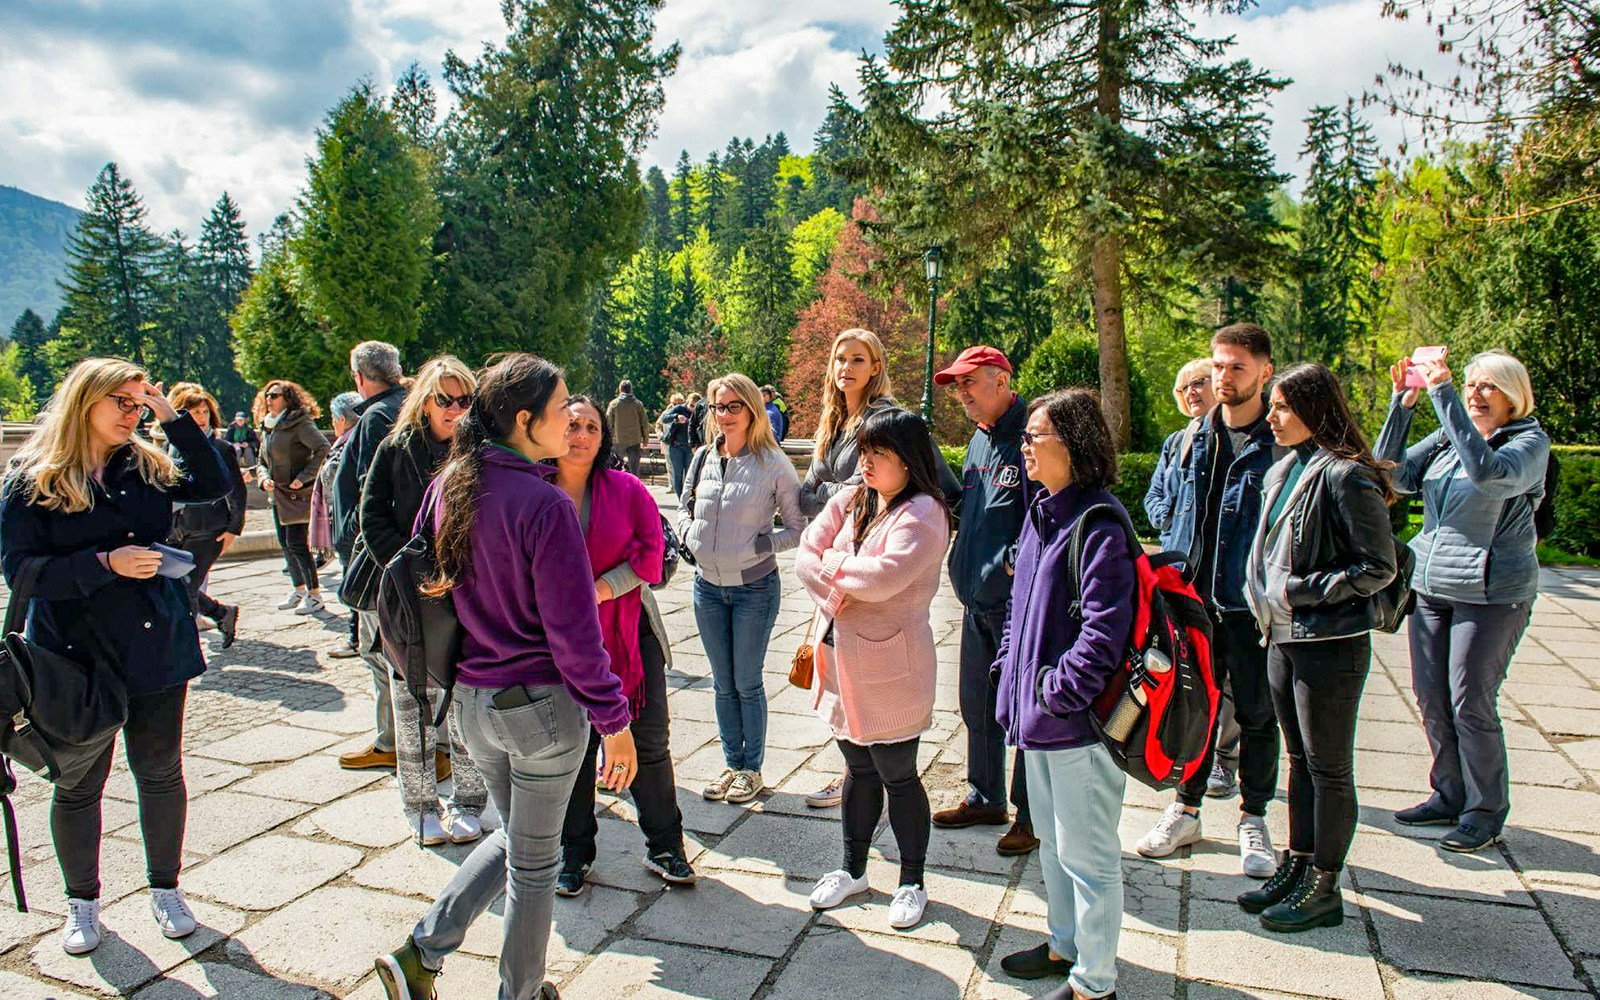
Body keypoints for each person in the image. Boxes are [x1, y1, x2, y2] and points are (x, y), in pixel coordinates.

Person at [373, 353, 638, 1000]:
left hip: (471, 703)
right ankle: (518, 992)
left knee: (520, 837)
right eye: (559, 409)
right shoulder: (543, 505)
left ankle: (422, 953)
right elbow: (575, 640)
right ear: (525, 421)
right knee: (535, 864)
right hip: (541, 711)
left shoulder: (449, 485)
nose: (570, 418)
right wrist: (616, 722)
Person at [1, 358, 230, 956]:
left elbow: (213, 484)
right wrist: (104, 564)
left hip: (155, 642)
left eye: (138, 403)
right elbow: (20, 572)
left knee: (159, 770)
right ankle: (83, 903)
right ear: (85, 402)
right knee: (79, 781)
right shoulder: (34, 477)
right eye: (122, 403)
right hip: (72, 656)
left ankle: (166, 888)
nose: (133, 414)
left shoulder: (146, 464)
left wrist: (172, 417)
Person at [1240, 363, 1398, 932]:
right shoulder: (1288, 470)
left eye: (1282, 405)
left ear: (1314, 408)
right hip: (1282, 635)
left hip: (1328, 643)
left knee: (1329, 767)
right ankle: (1299, 863)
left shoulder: (1346, 476)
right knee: (1300, 761)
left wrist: (1300, 591)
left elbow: (1378, 567)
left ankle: (1325, 886)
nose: (1272, 415)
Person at [1375, 348, 1550, 853]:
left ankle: (1485, 811)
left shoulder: (1528, 443)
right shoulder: (1452, 439)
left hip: (1493, 595)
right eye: (1469, 384)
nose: (1475, 392)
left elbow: (1489, 475)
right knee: (1431, 697)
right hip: (1432, 587)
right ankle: (1449, 794)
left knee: (1470, 701)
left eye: (1486, 385)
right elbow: (1393, 475)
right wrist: (1402, 404)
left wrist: (1444, 393)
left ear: (1513, 395)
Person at [994, 389, 1136, 1000]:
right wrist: (1007, 672)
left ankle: (1094, 982)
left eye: (1034, 437)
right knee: (1052, 843)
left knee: (1090, 855)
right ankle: (1064, 944)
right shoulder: (1041, 512)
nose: (1023, 447)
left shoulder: (1100, 525)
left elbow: (1105, 634)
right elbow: (1016, 610)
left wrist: (1055, 693)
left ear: (1072, 445)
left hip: (1078, 726)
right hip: (1039, 720)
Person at [796, 408, 953, 931]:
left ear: (908, 460)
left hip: (891, 665)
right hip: (839, 660)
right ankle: (853, 869)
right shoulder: (852, 498)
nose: (865, 462)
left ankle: (912, 880)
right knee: (858, 771)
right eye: (863, 451)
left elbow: (886, 578)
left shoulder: (925, 513)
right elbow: (803, 555)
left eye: (878, 453)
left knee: (898, 775)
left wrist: (834, 569)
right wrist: (844, 585)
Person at [1136, 323, 1283, 879]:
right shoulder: (1194, 437)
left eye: (1237, 367)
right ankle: (1186, 808)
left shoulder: (1278, 440)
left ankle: (1254, 817)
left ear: (1265, 372)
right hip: (1191, 600)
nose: (1223, 377)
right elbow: (1170, 505)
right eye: (1218, 365)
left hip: (1249, 606)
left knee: (1255, 714)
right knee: (1190, 709)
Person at [797, 329, 959, 809]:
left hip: (879, 577)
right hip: (844, 574)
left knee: (882, 729)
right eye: (838, 358)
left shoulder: (886, 420)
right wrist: (840, 500)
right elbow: (808, 496)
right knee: (844, 694)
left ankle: (857, 775)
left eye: (857, 358)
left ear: (876, 366)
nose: (845, 367)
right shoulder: (835, 421)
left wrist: (850, 507)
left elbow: (937, 487)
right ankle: (854, 773)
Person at [550, 397, 698, 896]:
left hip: (631, 634)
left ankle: (665, 845)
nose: (582, 434)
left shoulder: (628, 488)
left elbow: (653, 554)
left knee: (650, 742)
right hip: (557, 643)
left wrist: (599, 589)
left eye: (592, 426)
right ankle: (574, 852)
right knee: (574, 751)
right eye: (572, 424)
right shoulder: (532, 490)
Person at [360, 357, 487, 846]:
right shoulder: (396, 449)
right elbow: (371, 519)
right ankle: (419, 803)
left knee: (463, 696)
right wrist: (413, 569)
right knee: (411, 699)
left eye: (464, 400)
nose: (455, 409)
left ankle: (469, 800)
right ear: (425, 401)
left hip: (465, 593)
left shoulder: (478, 451)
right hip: (410, 593)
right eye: (444, 399)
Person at [677, 372, 806, 805]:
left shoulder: (774, 463)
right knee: (721, 683)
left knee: (746, 682)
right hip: (706, 588)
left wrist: (759, 545)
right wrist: (688, 532)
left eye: (734, 406)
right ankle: (732, 765)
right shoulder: (702, 457)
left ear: (752, 410)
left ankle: (752, 770)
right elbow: (684, 504)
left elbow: (797, 528)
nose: (725, 414)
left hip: (753, 589)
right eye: (718, 406)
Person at [933, 345, 1038, 856]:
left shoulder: (1032, 435)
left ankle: (1030, 813)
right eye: (956, 386)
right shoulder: (979, 440)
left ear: (1000, 380)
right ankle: (985, 795)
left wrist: (1010, 565)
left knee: (1024, 712)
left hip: (1016, 605)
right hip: (974, 599)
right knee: (977, 704)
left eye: (969, 383)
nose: (961, 395)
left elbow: (1044, 515)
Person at [1145, 358, 1240, 800]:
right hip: (1181, 576)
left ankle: (1226, 760)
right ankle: (1192, 758)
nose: (1190, 394)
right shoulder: (1176, 442)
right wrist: (1169, 523)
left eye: (1198, 383)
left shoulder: (1230, 442)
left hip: (1223, 583)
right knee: (1193, 672)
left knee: (1231, 682)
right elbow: (1155, 495)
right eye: (1182, 389)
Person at [334, 341, 409, 773]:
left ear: (359, 377)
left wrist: (361, 547)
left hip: (381, 558)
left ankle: (392, 741)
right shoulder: (403, 408)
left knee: (382, 653)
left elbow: (373, 494)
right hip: (394, 553)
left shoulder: (378, 417)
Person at [164, 383, 247, 649]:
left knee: (186, 588)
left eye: (203, 412)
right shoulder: (170, 446)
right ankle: (221, 613)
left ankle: (183, 645)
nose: (200, 418)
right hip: (177, 527)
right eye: (193, 412)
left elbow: (237, 491)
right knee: (172, 584)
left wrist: (234, 528)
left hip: (209, 528)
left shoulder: (221, 448)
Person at [254, 380, 329, 615]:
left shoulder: (299, 422)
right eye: (267, 395)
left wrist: (304, 477)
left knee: (297, 545)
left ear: (287, 398)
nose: (269, 399)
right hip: (276, 494)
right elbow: (261, 461)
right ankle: (298, 589)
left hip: (296, 495)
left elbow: (322, 448)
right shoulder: (268, 426)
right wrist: (263, 478)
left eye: (274, 395)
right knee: (285, 545)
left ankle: (314, 594)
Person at [315, 390, 364, 659]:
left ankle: (356, 639)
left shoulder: (349, 444)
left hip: (351, 525)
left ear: (343, 420)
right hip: (348, 521)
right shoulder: (353, 441)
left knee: (354, 582)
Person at [606, 379, 650, 477]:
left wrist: (608, 438)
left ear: (620, 389)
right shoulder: (638, 404)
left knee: (616, 467)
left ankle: (616, 487)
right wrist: (645, 439)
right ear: (631, 390)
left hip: (618, 439)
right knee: (634, 469)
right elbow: (644, 423)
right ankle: (634, 489)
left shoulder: (614, 404)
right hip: (635, 439)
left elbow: (608, 422)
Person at [657, 392, 695, 498]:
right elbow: (663, 419)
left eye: (695, 406)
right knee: (677, 475)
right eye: (691, 405)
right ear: (687, 402)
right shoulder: (678, 409)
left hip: (689, 447)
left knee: (690, 476)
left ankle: (689, 499)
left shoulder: (697, 412)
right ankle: (680, 500)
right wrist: (677, 417)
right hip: (675, 446)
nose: (693, 408)